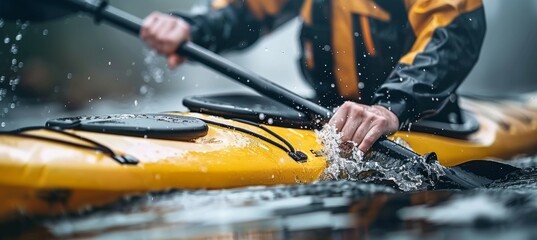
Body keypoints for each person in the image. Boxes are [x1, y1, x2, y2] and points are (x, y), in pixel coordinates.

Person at [139, 0, 486, 153]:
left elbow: (454, 33)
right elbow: (245, 11)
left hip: (418, 117)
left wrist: (391, 107)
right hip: (328, 115)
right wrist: (191, 27)